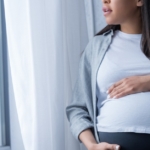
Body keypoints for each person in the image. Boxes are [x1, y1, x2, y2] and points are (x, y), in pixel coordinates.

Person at [66, 0, 150, 149]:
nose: (104, 0)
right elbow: (78, 109)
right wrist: (92, 146)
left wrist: (146, 81)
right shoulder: (96, 47)